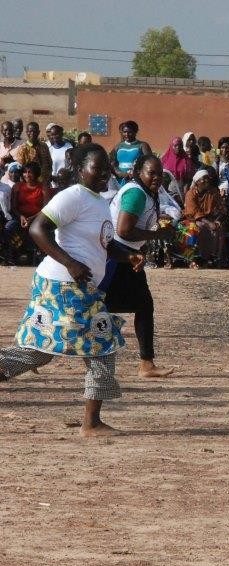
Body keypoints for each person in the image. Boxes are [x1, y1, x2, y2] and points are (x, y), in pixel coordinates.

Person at [0, 144, 127, 436]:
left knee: (40, 351)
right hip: (65, 286)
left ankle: (92, 422)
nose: (104, 172)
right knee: (102, 347)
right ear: (80, 168)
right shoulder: (73, 196)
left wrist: (127, 255)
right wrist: (70, 263)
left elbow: (103, 243)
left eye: (106, 167)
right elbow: (37, 228)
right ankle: (91, 424)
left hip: (73, 286)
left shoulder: (99, 200)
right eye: (97, 167)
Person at [103, 154, 178, 377]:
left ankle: (147, 363)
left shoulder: (147, 192)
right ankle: (34, 348)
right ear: (139, 172)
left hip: (128, 255)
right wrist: (157, 234)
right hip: (117, 256)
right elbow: (124, 230)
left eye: (159, 173)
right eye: (151, 173)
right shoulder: (136, 193)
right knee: (93, 307)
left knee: (142, 305)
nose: (156, 177)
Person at [181, 169, 225, 268]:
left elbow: (221, 208)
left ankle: (213, 257)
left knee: (219, 228)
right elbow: (194, 212)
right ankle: (194, 258)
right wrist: (209, 223)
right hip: (192, 219)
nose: (206, 181)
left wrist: (218, 220)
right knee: (199, 227)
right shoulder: (190, 194)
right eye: (203, 179)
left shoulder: (213, 192)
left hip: (211, 218)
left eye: (207, 179)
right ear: (197, 182)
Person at [110, 121, 152, 186]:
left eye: (130, 132)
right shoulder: (118, 146)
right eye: (124, 132)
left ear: (135, 132)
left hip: (136, 179)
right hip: (120, 179)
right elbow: (112, 162)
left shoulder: (142, 145)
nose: (126, 134)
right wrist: (119, 173)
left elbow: (150, 163)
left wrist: (135, 174)